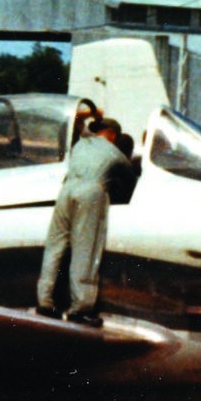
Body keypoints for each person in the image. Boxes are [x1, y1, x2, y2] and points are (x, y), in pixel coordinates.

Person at [37, 116, 131, 325]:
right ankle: (81, 308)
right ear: (113, 135)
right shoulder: (114, 153)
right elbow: (130, 180)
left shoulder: (80, 145)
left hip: (66, 191)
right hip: (90, 192)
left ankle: (44, 302)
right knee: (85, 249)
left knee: (55, 246)